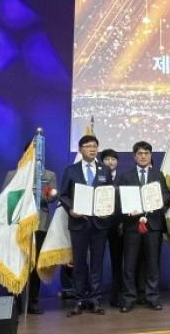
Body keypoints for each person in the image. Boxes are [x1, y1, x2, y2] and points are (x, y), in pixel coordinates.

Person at [58, 135, 113, 316]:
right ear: (80, 149)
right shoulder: (71, 170)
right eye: (88, 146)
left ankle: (95, 299)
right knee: (79, 263)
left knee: (97, 263)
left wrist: (108, 209)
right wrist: (71, 209)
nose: (92, 149)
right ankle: (79, 299)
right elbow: (63, 194)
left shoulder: (104, 169)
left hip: (99, 223)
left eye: (95, 146)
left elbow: (109, 193)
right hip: (78, 222)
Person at [1, 145, 58, 314]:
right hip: (18, 226)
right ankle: (14, 300)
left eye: (40, 151)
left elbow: (52, 197)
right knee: (16, 263)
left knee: (34, 265)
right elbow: (5, 198)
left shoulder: (49, 175)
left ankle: (33, 300)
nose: (36, 154)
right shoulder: (13, 174)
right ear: (25, 153)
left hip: (40, 224)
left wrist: (44, 193)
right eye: (32, 151)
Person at [117, 141, 170, 312]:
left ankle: (152, 297)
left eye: (146, 153)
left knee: (153, 264)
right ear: (134, 156)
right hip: (132, 226)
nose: (143, 156)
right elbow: (119, 199)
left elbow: (166, 196)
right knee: (129, 265)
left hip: (153, 225)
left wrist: (157, 203)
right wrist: (127, 210)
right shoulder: (125, 176)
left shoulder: (158, 175)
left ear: (151, 156)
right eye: (140, 153)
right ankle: (129, 298)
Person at [101, 148, 124, 307]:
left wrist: (122, 222)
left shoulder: (124, 178)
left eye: (113, 159)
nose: (110, 162)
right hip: (99, 224)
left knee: (117, 261)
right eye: (107, 159)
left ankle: (117, 295)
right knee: (95, 261)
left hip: (117, 225)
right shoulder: (97, 177)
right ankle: (93, 296)